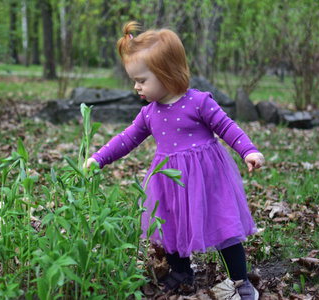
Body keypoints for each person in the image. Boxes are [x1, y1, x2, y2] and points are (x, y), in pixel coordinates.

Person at [85, 21, 263, 299]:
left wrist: (248, 150)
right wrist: (99, 158)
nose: (136, 87)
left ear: (166, 74)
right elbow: (126, 139)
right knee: (169, 225)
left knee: (223, 224)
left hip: (207, 177)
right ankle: (181, 272)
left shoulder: (199, 102)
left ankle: (240, 282)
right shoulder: (149, 114)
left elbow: (227, 127)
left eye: (141, 80)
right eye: (135, 80)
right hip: (168, 180)